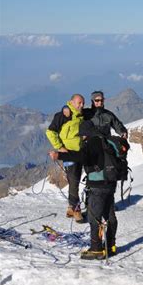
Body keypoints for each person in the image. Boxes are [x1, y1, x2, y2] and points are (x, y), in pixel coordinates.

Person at [48, 121, 120, 260]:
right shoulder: (104, 140)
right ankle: (111, 246)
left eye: (82, 135)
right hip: (110, 184)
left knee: (94, 218)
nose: (81, 138)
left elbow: (82, 157)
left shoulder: (92, 142)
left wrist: (60, 156)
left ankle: (96, 249)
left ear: (85, 134)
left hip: (97, 185)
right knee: (110, 215)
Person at [46, 94, 85, 222]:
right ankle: (77, 210)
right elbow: (50, 132)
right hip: (68, 153)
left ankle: (70, 206)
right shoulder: (63, 115)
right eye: (79, 103)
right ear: (72, 102)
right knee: (74, 180)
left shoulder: (80, 115)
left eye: (83, 103)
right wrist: (60, 147)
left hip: (80, 152)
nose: (81, 105)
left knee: (74, 179)